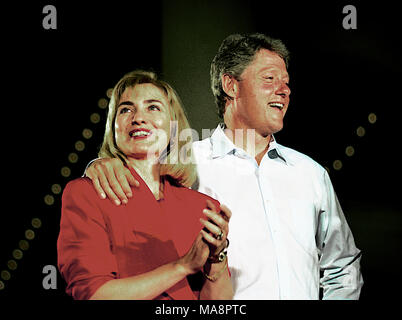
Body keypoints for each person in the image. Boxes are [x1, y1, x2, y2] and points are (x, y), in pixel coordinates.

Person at [85, 34, 363, 299]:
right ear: (231, 86)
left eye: (286, 82)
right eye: (269, 79)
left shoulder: (311, 174)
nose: (284, 90)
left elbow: (343, 265)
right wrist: (100, 165)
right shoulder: (184, 164)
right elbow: (130, 182)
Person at [57, 70, 233, 300]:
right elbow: (93, 294)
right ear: (114, 128)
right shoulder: (87, 193)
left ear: (173, 126)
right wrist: (182, 266)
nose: (138, 118)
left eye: (153, 107)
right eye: (126, 109)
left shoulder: (202, 206)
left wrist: (217, 260)